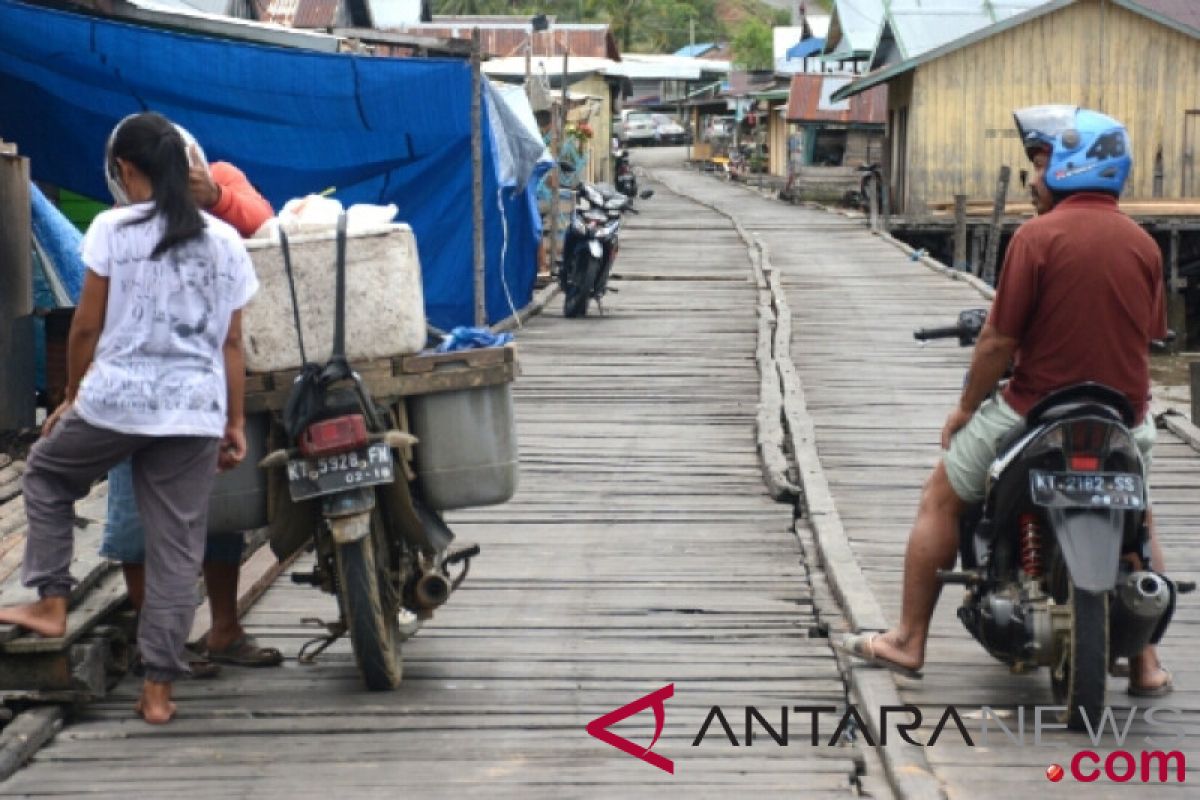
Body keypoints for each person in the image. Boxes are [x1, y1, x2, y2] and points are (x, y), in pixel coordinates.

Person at [836, 106, 1173, 697]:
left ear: (1068, 168)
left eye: (1040, 163)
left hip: (1034, 410)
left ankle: (909, 639)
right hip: (1125, 416)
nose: (1034, 177)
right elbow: (1150, 334)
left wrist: (967, 407)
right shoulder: (1145, 245)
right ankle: (1145, 664)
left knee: (941, 496)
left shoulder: (1037, 238)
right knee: (1139, 520)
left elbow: (998, 340)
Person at [0, 111, 259, 723]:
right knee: (177, 545)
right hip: (194, 407)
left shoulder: (115, 229)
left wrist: (69, 397)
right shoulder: (223, 239)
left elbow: (86, 325)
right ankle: (159, 690)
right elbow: (231, 345)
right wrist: (235, 421)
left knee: (46, 474)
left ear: (126, 170)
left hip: (118, 399)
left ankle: (52, 601)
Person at [101, 124, 280, 675]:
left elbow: (266, 221)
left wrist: (217, 198)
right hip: (139, 391)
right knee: (136, 524)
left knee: (217, 513)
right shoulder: (121, 225)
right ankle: (164, 645)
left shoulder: (221, 181)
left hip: (206, 385)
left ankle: (223, 628)